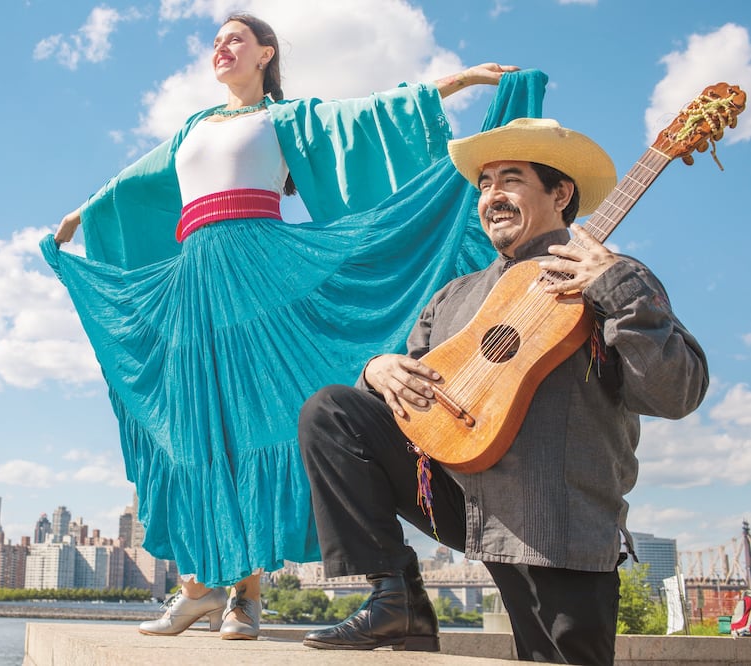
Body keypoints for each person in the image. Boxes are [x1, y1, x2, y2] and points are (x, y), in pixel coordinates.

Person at [43, 12, 519, 640]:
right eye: (216, 40)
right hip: (194, 283)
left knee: (252, 419)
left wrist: (458, 83)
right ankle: (203, 587)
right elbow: (134, 179)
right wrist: (80, 214)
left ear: (265, 53)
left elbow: (368, 114)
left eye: (235, 38)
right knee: (200, 426)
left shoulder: (283, 117)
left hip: (260, 271)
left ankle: (245, 596)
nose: (221, 47)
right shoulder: (193, 126)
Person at [298, 117, 709, 663]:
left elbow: (676, 393)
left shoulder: (616, 275)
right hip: (457, 495)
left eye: (509, 178)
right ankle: (396, 596)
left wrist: (614, 284)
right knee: (331, 410)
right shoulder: (454, 296)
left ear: (561, 192)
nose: (491, 195)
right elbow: (394, 411)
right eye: (484, 184)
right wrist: (376, 372)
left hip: (555, 520)